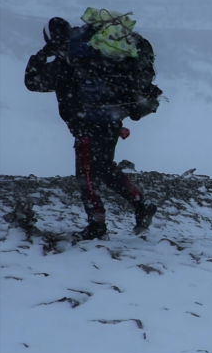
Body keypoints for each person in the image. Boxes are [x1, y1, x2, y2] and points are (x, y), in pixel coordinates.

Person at [24, 17, 157, 240]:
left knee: (85, 176)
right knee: (104, 167)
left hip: (86, 125)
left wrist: (43, 53)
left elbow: (32, 82)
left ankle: (97, 226)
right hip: (111, 120)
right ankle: (142, 205)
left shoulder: (67, 63)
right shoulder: (95, 53)